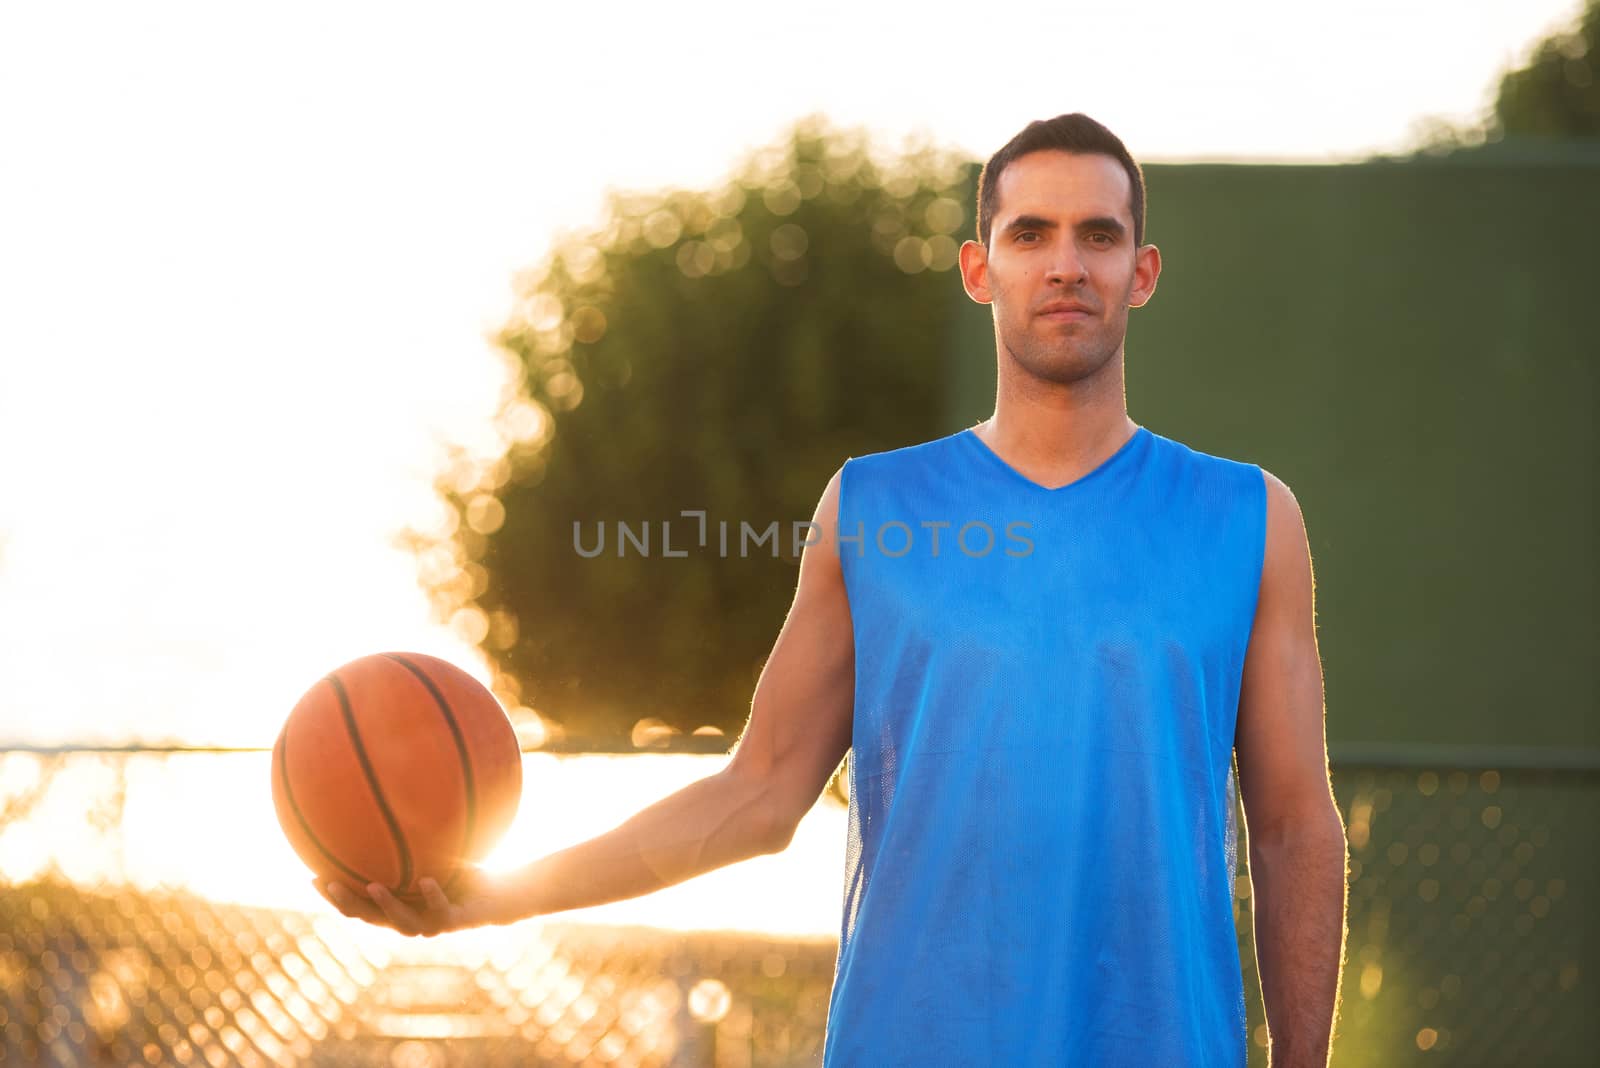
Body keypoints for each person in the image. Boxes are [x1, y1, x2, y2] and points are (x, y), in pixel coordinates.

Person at [320, 113, 1348, 1067]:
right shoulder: (871, 510)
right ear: (978, 269)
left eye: (1098, 235)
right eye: (1030, 234)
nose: (1066, 264)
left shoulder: (1246, 519)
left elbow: (1295, 826)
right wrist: (487, 899)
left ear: (1143, 271)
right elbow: (758, 794)